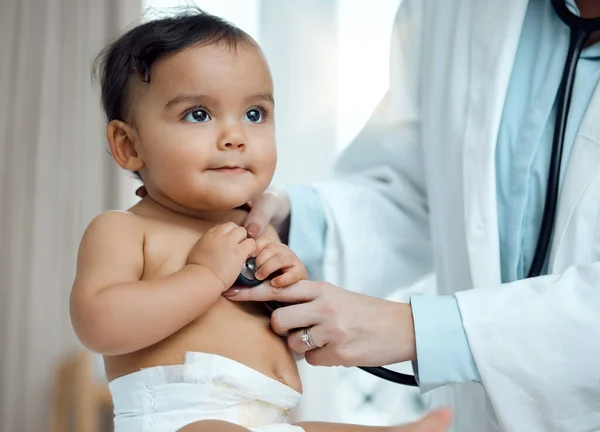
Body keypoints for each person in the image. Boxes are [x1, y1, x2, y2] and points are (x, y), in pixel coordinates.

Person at [221, 0, 600, 431]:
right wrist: (288, 222)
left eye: (255, 115)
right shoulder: (453, 10)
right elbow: (421, 193)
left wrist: (422, 330)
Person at [69, 10, 452, 432]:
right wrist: (203, 274)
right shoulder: (124, 230)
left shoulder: (254, 232)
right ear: (129, 145)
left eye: (254, 114)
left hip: (272, 419)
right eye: (198, 114)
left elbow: (281, 330)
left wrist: (289, 287)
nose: (235, 136)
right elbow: (99, 324)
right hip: (181, 419)